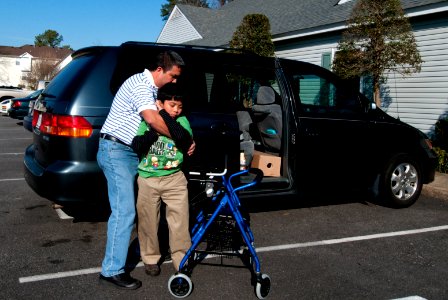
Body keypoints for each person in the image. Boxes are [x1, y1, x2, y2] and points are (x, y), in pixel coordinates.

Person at [97, 50, 191, 290]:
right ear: (160, 70)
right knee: (124, 211)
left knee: (139, 210)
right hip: (116, 151)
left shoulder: (150, 89)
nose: (174, 81)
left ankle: (138, 258)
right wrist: (183, 139)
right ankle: (112, 270)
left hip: (128, 152)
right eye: (172, 76)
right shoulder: (141, 84)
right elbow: (152, 120)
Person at [132, 82, 193, 276]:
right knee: (148, 221)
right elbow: (138, 145)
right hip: (148, 179)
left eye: (179, 107)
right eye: (171, 106)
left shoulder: (182, 121)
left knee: (179, 222)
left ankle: (181, 259)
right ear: (159, 102)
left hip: (174, 178)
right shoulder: (147, 121)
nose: (176, 110)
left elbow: (183, 138)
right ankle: (150, 258)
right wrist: (153, 130)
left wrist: (164, 116)